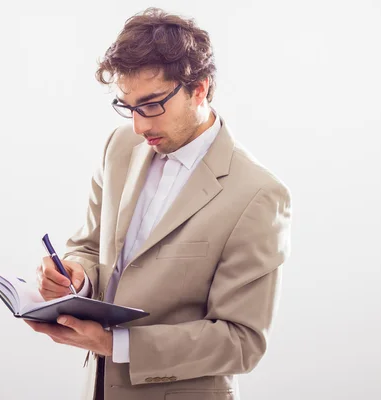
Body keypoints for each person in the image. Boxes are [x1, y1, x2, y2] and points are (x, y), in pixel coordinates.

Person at [25, 7, 292, 400]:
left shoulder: (258, 194)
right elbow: (89, 246)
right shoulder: (119, 147)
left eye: (151, 105)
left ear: (199, 88)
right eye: (128, 106)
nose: (139, 125)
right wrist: (76, 276)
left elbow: (241, 341)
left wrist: (116, 345)